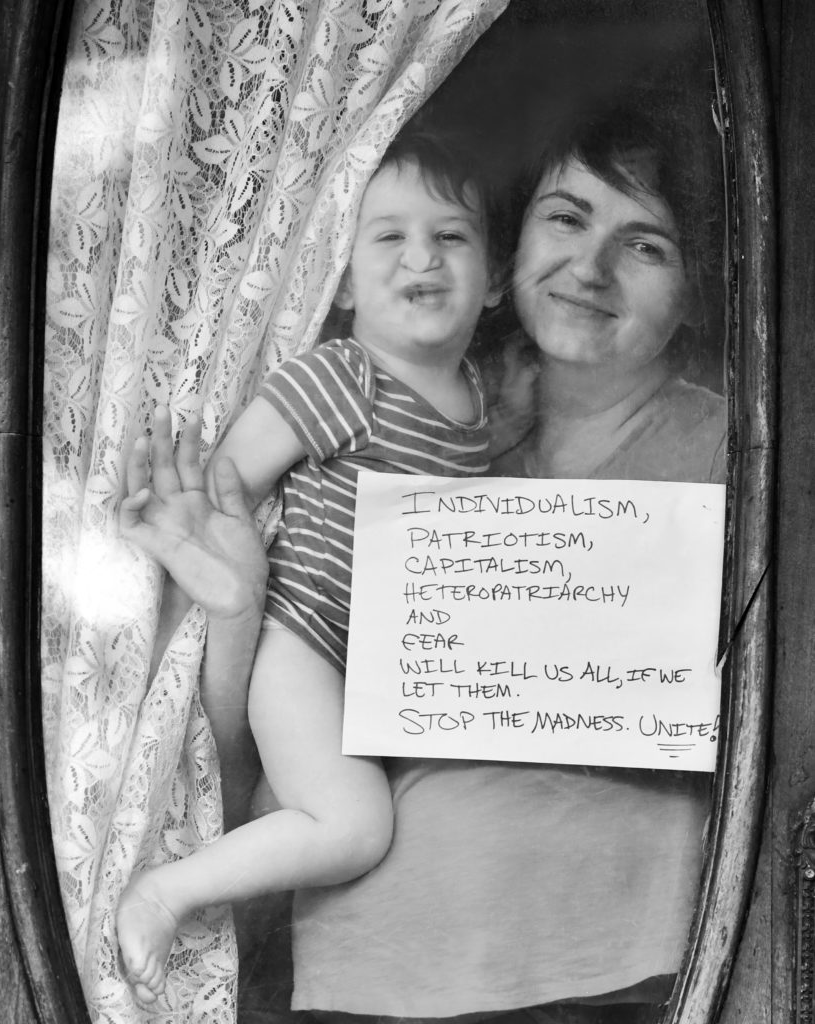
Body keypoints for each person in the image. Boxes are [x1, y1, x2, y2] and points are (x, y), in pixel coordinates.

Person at [280, 106, 726, 1024]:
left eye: (645, 246)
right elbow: (268, 754)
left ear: (697, 288)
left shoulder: (736, 455)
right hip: (366, 971)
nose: (589, 269)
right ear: (508, 245)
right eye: (566, 218)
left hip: (625, 975)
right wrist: (240, 603)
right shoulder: (418, 443)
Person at [114, 129, 503, 1006]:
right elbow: (226, 486)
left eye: (451, 236)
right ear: (347, 273)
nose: (422, 257)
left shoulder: (482, 401)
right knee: (354, 827)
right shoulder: (346, 375)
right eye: (388, 236)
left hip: (397, 676)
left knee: (305, 833)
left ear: (496, 278)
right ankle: (166, 891)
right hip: (307, 644)